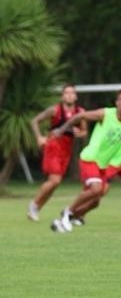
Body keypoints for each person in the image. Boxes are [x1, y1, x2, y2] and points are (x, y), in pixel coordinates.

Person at [50, 90, 121, 232]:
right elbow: (81, 116)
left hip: (103, 164)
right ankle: (68, 212)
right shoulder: (105, 114)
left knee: (96, 201)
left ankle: (69, 217)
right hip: (90, 158)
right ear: (117, 103)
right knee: (97, 189)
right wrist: (61, 130)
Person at [28, 84, 87, 221]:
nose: (69, 95)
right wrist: (39, 137)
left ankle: (36, 209)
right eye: (67, 93)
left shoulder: (81, 112)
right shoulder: (54, 110)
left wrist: (79, 134)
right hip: (53, 146)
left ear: (76, 96)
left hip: (66, 150)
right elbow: (34, 121)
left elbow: (84, 132)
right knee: (55, 180)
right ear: (62, 96)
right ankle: (33, 204)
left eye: (72, 93)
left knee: (54, 183)